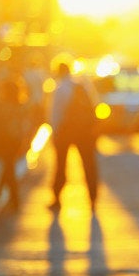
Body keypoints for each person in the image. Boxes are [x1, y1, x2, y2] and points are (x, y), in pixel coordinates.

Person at [49, 63, 99, 211]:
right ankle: (93, 199)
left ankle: (57, 198)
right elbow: (95, 106)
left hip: (66, 131)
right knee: (89, 165)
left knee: (61, 165)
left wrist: (55, 132)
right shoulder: (83, 85)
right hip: (84, 132)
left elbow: (55, 113)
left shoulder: (60, 88)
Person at [0, 80, 26, 209]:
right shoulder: (20, 106)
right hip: (15, 140)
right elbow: (23, 126)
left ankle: (14, 197)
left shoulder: (3, 106)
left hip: (5, 139)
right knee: (9, 165)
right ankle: (2, 189)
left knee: (9, 166)